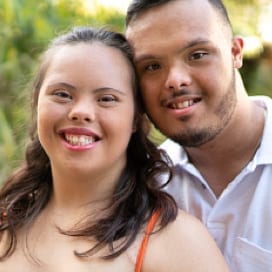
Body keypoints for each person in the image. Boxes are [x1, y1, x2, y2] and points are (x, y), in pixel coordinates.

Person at [0, 26, 229, 271]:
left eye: (106, 98)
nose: (81, 112)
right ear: (37, 102)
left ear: (136, 119)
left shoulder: (176, 243)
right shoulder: (7, 222)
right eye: (62, 94)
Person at [125, 0, 272, 271]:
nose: (175, 80)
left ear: (235, 52)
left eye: (197, 54)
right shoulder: (141, 187)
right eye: (152, 66)